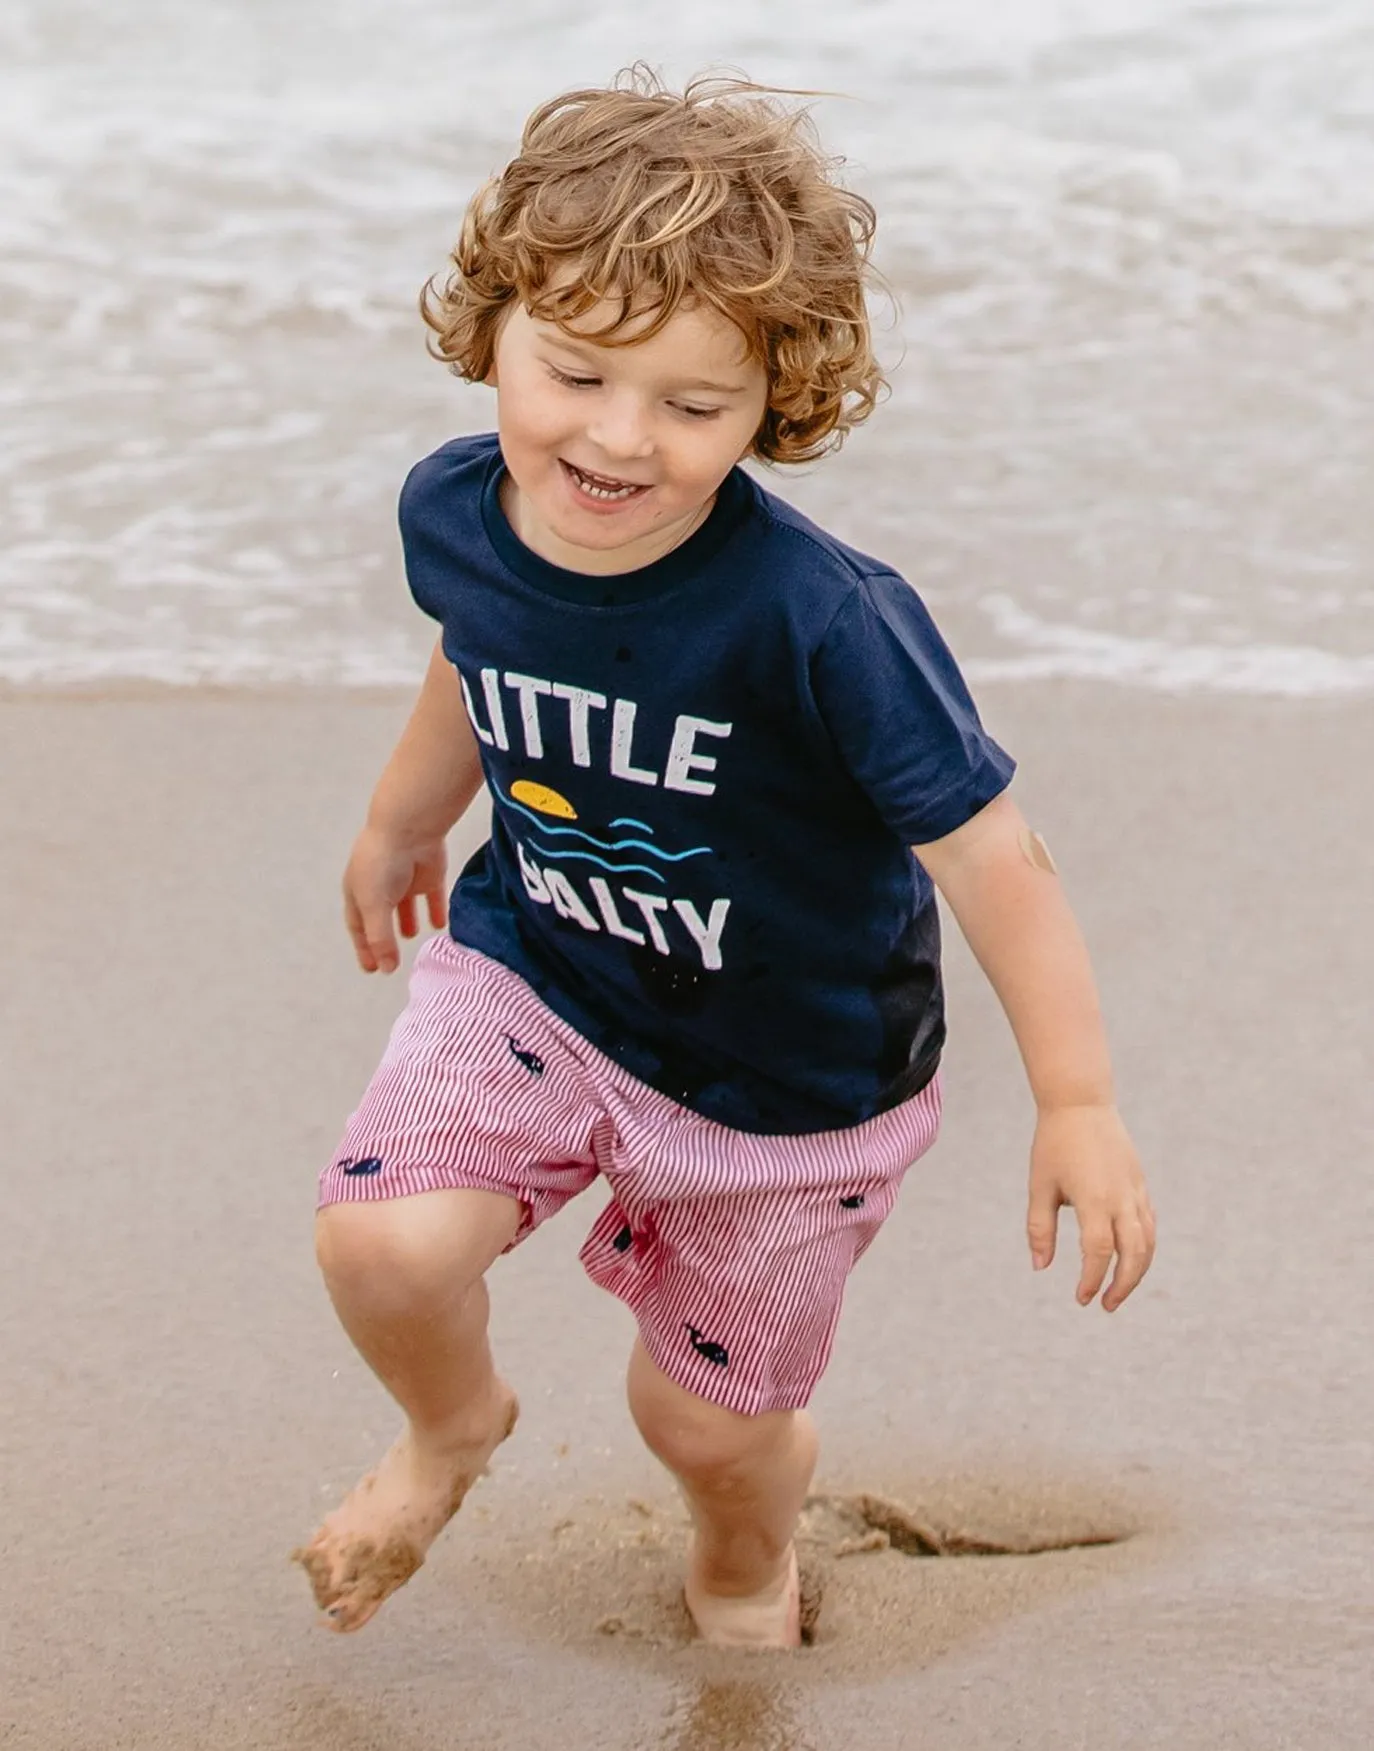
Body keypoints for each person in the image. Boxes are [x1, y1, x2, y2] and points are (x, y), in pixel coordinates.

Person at [292, 69, 1156, 1650]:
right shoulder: (457, 511)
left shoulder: (824, 619)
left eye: (694, 407)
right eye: (575, 372)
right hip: (538, 978)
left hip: (789, 1081)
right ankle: (452, 1425)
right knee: (383, 1239)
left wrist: (1077, 1099)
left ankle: (746, 1560)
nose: (619, 438)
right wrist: (406, 816)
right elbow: (469, 657)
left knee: (704, 1424)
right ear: (490, 329)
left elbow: (992, 853)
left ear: (776, 405)